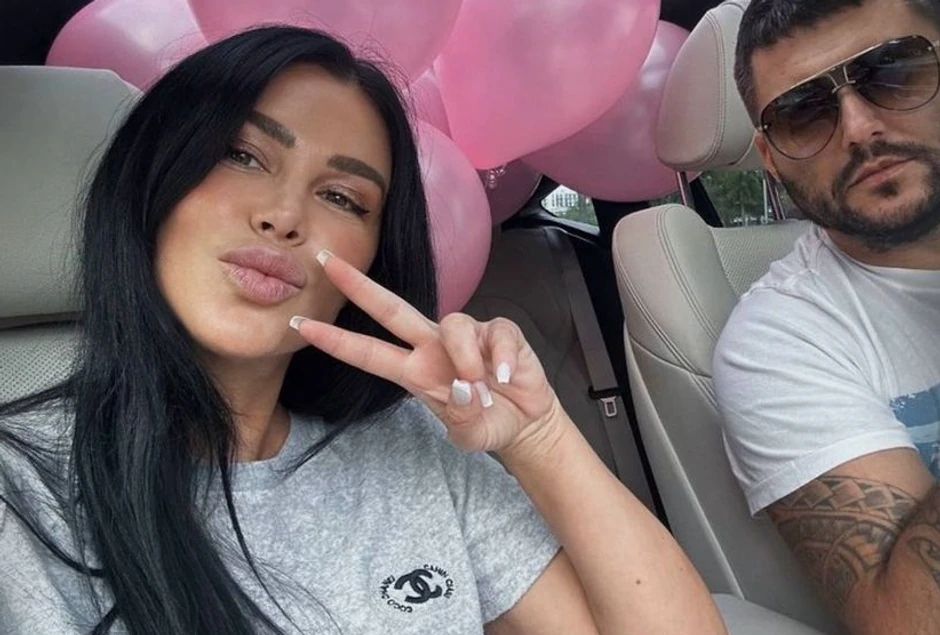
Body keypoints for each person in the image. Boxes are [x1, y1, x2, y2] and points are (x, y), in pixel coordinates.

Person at [0, 26, 725, 635]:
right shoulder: (21, 493)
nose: (284, 215)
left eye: (343, 197)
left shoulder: (416, 445)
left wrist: (540, 439)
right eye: (242, 155)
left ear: (375, 255)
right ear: (153, 179)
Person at [713, 0, 940, 633]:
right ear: (769, 156)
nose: (859, 128)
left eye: (893, 71)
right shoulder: (778, 341)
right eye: (802, 112)